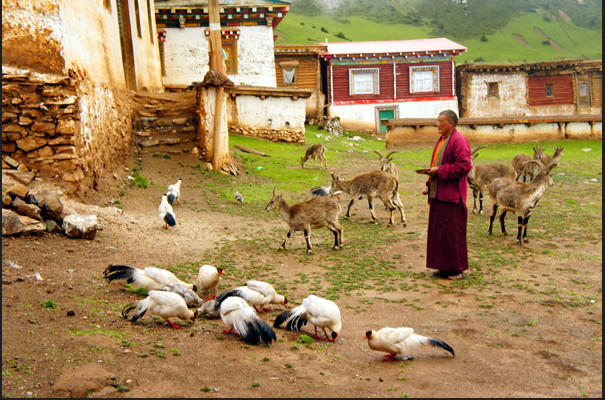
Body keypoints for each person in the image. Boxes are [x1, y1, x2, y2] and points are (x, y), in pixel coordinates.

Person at [420, 110, 472, 280]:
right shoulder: (442, 140)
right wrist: (430, 185)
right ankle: (444, 267)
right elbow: (437, 163)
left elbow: (464, 166)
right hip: (439, 193)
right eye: (437, 121)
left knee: (453, 234)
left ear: (451, 123)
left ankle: (459, 269)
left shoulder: (459, 140)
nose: (437, 124)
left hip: (452, 196)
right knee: (440, 233)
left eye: (440, 121)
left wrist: (439, 171)